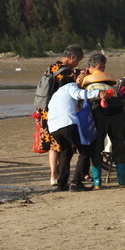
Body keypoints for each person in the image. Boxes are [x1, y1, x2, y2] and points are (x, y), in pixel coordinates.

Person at [48, 70, 106, 191]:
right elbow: (78, 94)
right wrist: (98, 92)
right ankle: (76, 183)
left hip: (54, 128)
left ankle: (62, 185)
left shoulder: (55, 95)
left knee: (65, 153)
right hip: (68, 124)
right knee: (85, 151)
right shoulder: (70, 86)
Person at [36, 45, 84, 185]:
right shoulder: (66, 73)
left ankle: (53, 176)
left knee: (53, 145)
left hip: (45, 109)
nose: (77, 63)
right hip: (57, 111)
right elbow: (71, 89)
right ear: (72, 57)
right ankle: (59, 176)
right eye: (78, 60)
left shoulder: (51, 67)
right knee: (61, 146)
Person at [82, 53, 125, 189]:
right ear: (103, 66)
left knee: (97, 148)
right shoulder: (110, 85)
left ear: (91, 67)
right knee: (119, 147)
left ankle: (97, 182)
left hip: (98, 115)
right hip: (117, 115)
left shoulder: (88, 85)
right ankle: (122, 181)